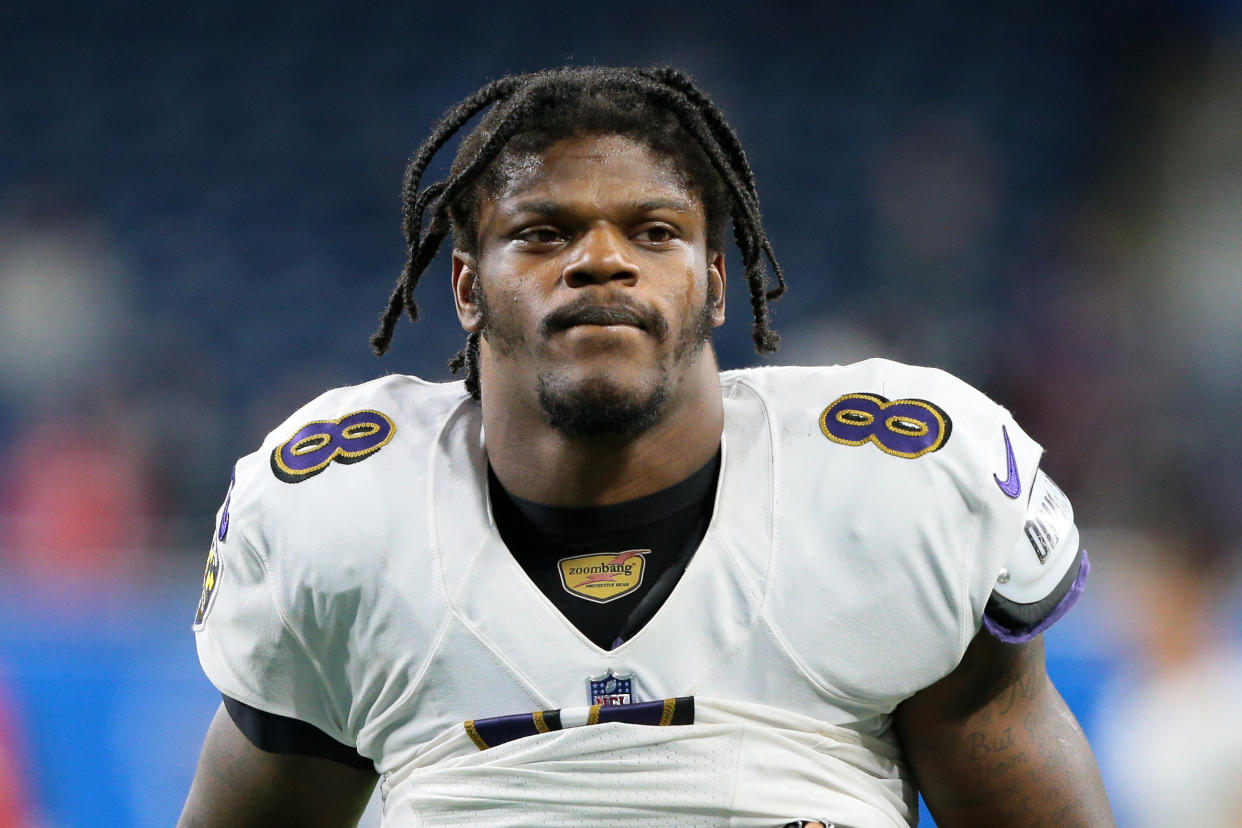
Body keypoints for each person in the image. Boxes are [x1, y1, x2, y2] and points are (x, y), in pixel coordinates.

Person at [178, 66, 1114, 827]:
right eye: (542, 232)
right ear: (465, 286)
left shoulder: (896, 482)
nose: (601, 258)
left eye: (652, 230)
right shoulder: (339, 511)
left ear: (715, 283)